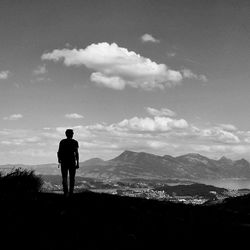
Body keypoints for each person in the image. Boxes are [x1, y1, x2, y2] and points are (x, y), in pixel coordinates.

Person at [57, 129, 79, 197]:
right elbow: (76, 153)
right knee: (72, 178)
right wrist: (77, 163)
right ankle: (71, 192)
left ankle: (65, 192)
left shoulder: (62, 142)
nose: (72, 134)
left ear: (66, 134)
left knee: (64, 177)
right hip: (72, 162)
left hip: (64, 162)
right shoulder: (75, 142)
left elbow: (59, 152)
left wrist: (59, 160)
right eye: (72, 133)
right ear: (72, 134)